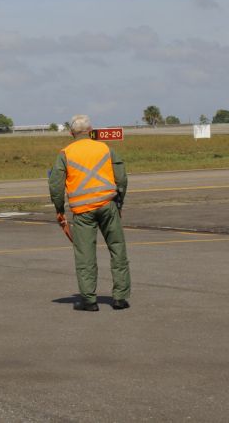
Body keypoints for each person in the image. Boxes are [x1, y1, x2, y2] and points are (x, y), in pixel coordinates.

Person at [48, 115, 130, 312]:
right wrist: (119, 203)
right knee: (117, 249)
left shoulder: (65, 153)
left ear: (71, 133)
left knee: (85, 255)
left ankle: (89, 300)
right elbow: (121, 177)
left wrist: (59, 210)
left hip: (83, 212)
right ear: (91, 130)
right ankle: (120, 298)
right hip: (107, 205)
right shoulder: (105, 148)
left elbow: (56, 186)